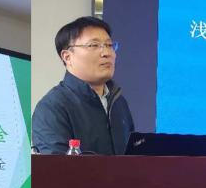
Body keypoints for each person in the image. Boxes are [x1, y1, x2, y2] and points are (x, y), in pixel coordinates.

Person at [32, 16, 134, 155]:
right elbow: (56, 166)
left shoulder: (118, 102)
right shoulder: (52, 107)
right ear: (67, 57)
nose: (106, 53)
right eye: (94, 45)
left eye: (109, 45)